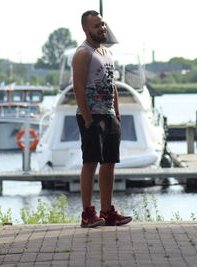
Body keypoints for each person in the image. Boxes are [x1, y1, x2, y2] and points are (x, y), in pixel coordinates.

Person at [72, 10, 132, 228]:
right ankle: (87, 213)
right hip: (91, 116)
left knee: (109, 163)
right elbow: (78, 87)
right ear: (86, 29)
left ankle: (107, 212)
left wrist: (116, 112)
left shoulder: (107, 52)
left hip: (108, 115)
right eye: (97, 25)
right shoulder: (83, 53)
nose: (102, 28)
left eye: (103, 24)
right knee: (90, 163)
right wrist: (87, 118)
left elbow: (112, 85)